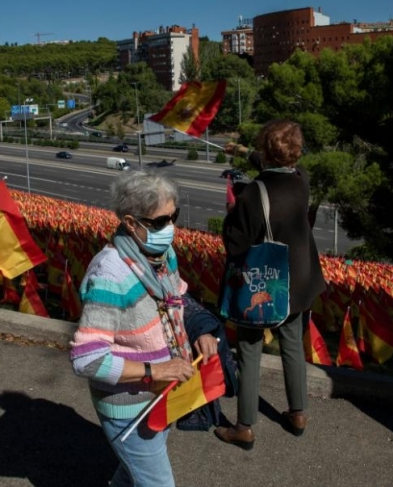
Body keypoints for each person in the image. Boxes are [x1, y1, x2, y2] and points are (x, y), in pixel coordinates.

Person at [69, 171, 219, 486]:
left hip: (162, 395)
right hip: (129, 404)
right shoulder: (109, 275)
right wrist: (155, 370)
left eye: (173, 216)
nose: (171, 228)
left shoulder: (161, 255)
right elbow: (87, 360)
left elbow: (177, 296)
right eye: (160, 222)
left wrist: (199, 330)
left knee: (132, 471)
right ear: (130, 222)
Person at [215, 119, 326, 450]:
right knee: (292, 345)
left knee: (249, 352)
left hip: (264, 286)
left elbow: (235, 245)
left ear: (266, 148)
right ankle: (298, 414)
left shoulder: (250, 195)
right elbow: (272, 167)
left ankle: (245, 426)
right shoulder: (302, 181)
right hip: (298, 283)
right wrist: (245, 153)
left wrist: (231, 212)